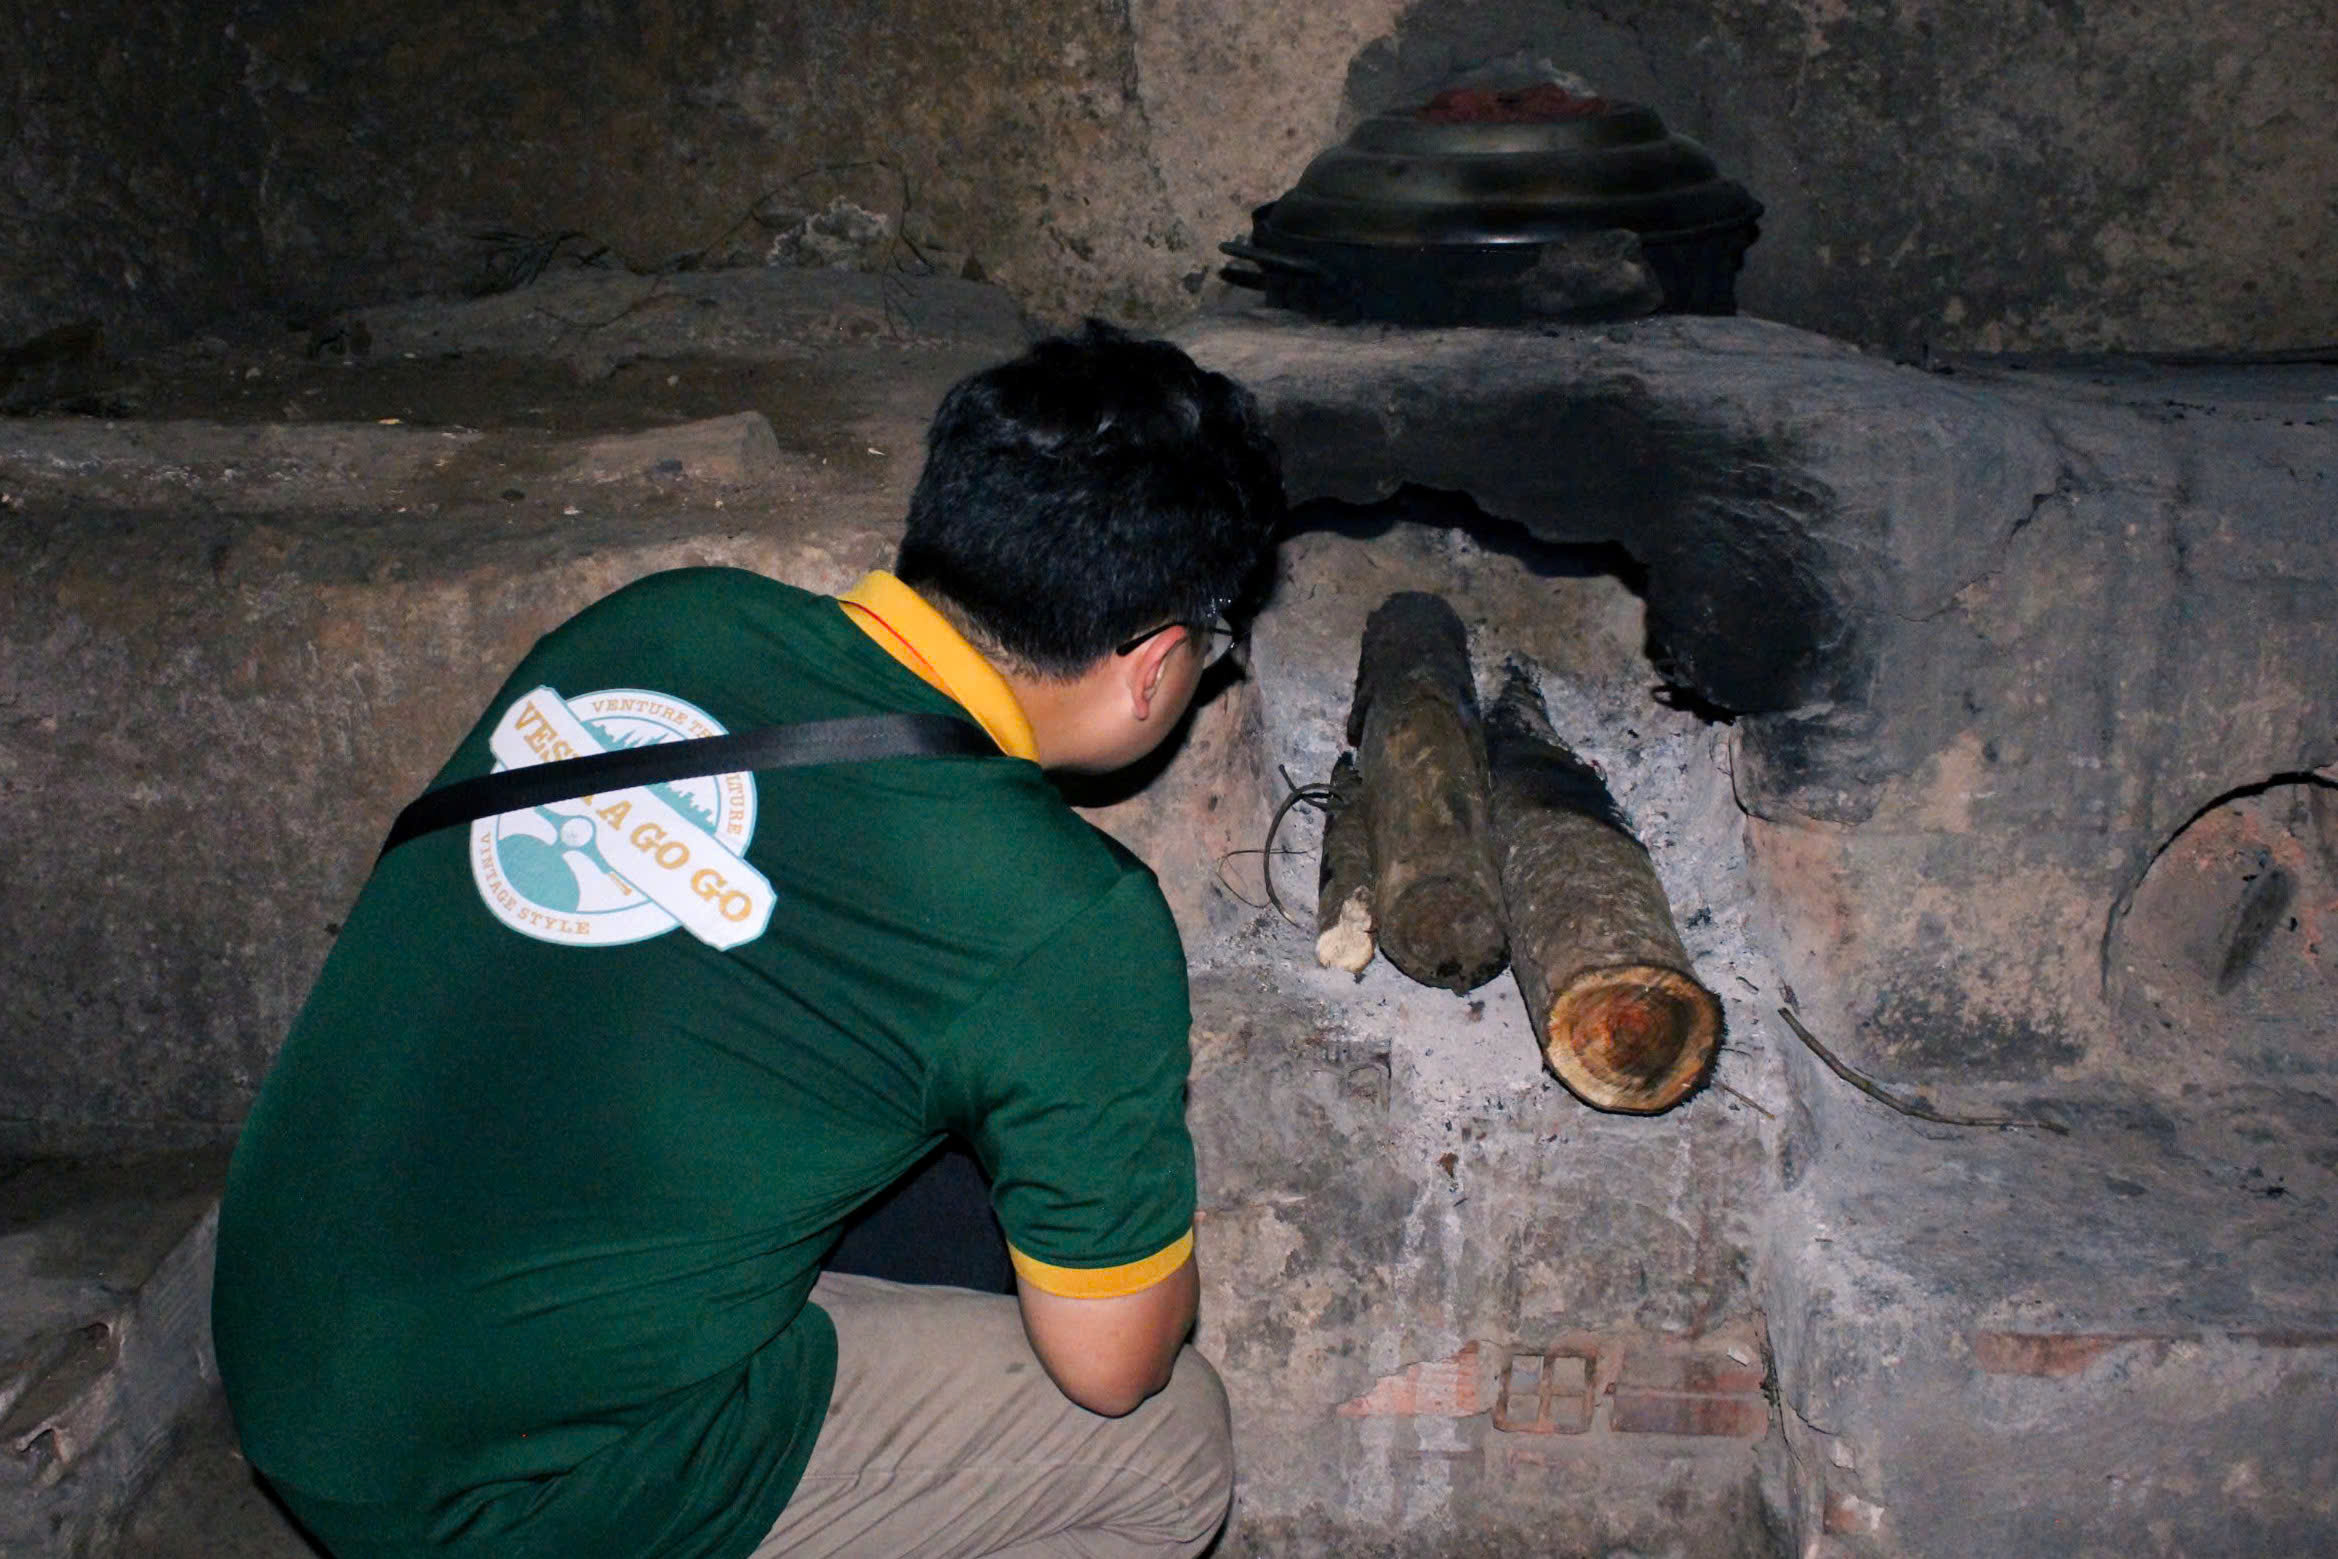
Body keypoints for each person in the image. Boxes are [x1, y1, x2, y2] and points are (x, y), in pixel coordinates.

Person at [210, 321, 1284, 1559]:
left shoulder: (662, 623)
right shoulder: (1060, 917)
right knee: (1166, 1448)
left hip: (292, 1351)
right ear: (1152, 666)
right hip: (487, 1490)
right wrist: (1155, 1265)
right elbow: (1111, 1367)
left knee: (935, 1167)